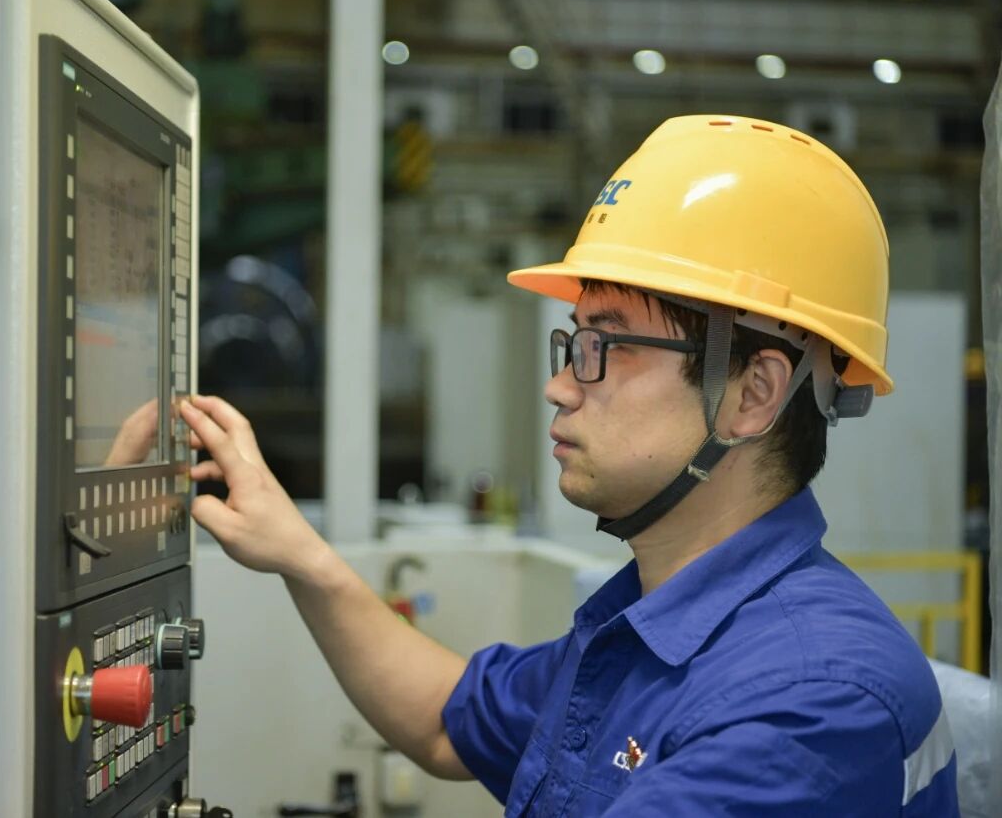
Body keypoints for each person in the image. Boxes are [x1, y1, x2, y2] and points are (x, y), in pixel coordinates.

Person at [178, 115, 959, 815]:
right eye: (573, 342)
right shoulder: (653, 628)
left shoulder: (809, 702)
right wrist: (299, 553)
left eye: (604, 345)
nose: (558, 385)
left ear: (751, 394)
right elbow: (447, 721)